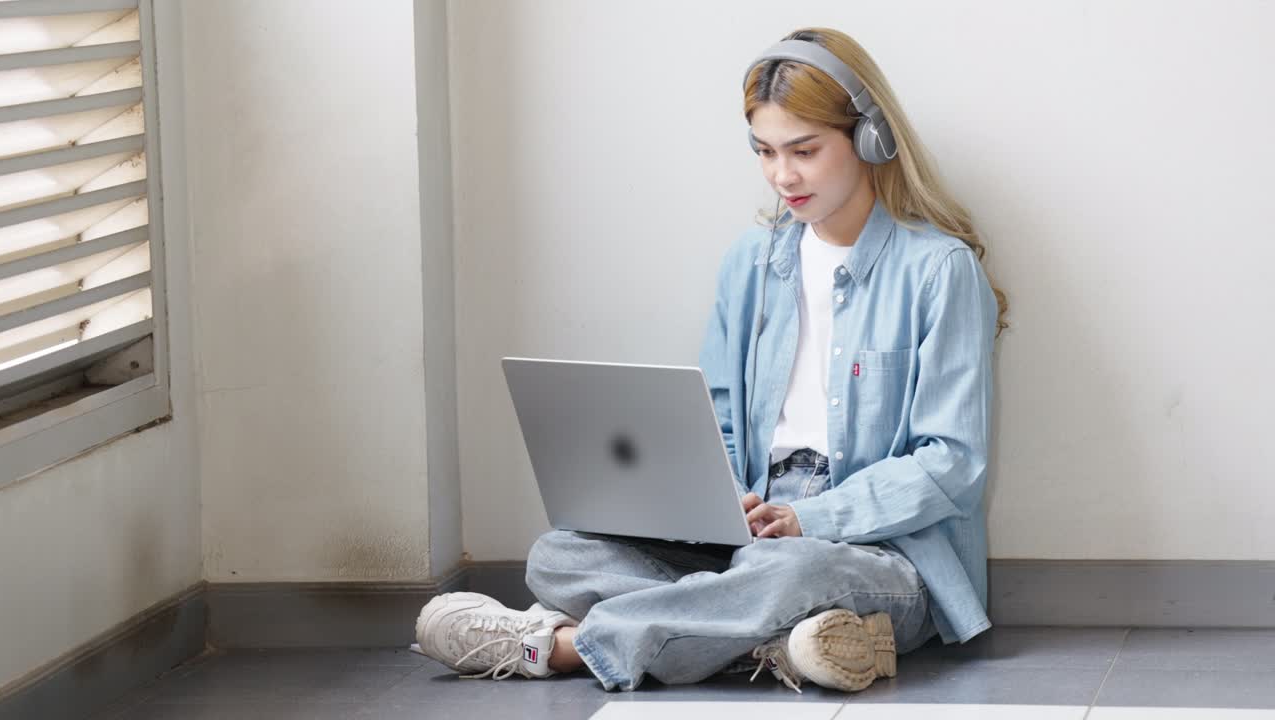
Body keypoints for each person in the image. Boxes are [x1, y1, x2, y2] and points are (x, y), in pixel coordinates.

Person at [415, 26, 1008, 694]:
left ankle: (555, 647)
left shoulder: (938, 271)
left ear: (869, 138)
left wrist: (812, 520)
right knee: (560, 554)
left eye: (805, 151)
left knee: (792, 575)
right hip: (749, 533)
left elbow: (950, 464)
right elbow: (719, 423)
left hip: (883, 555)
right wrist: (716, 504)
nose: (784, 175)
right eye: (765, 152)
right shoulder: (749, 264)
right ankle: (788, 641)